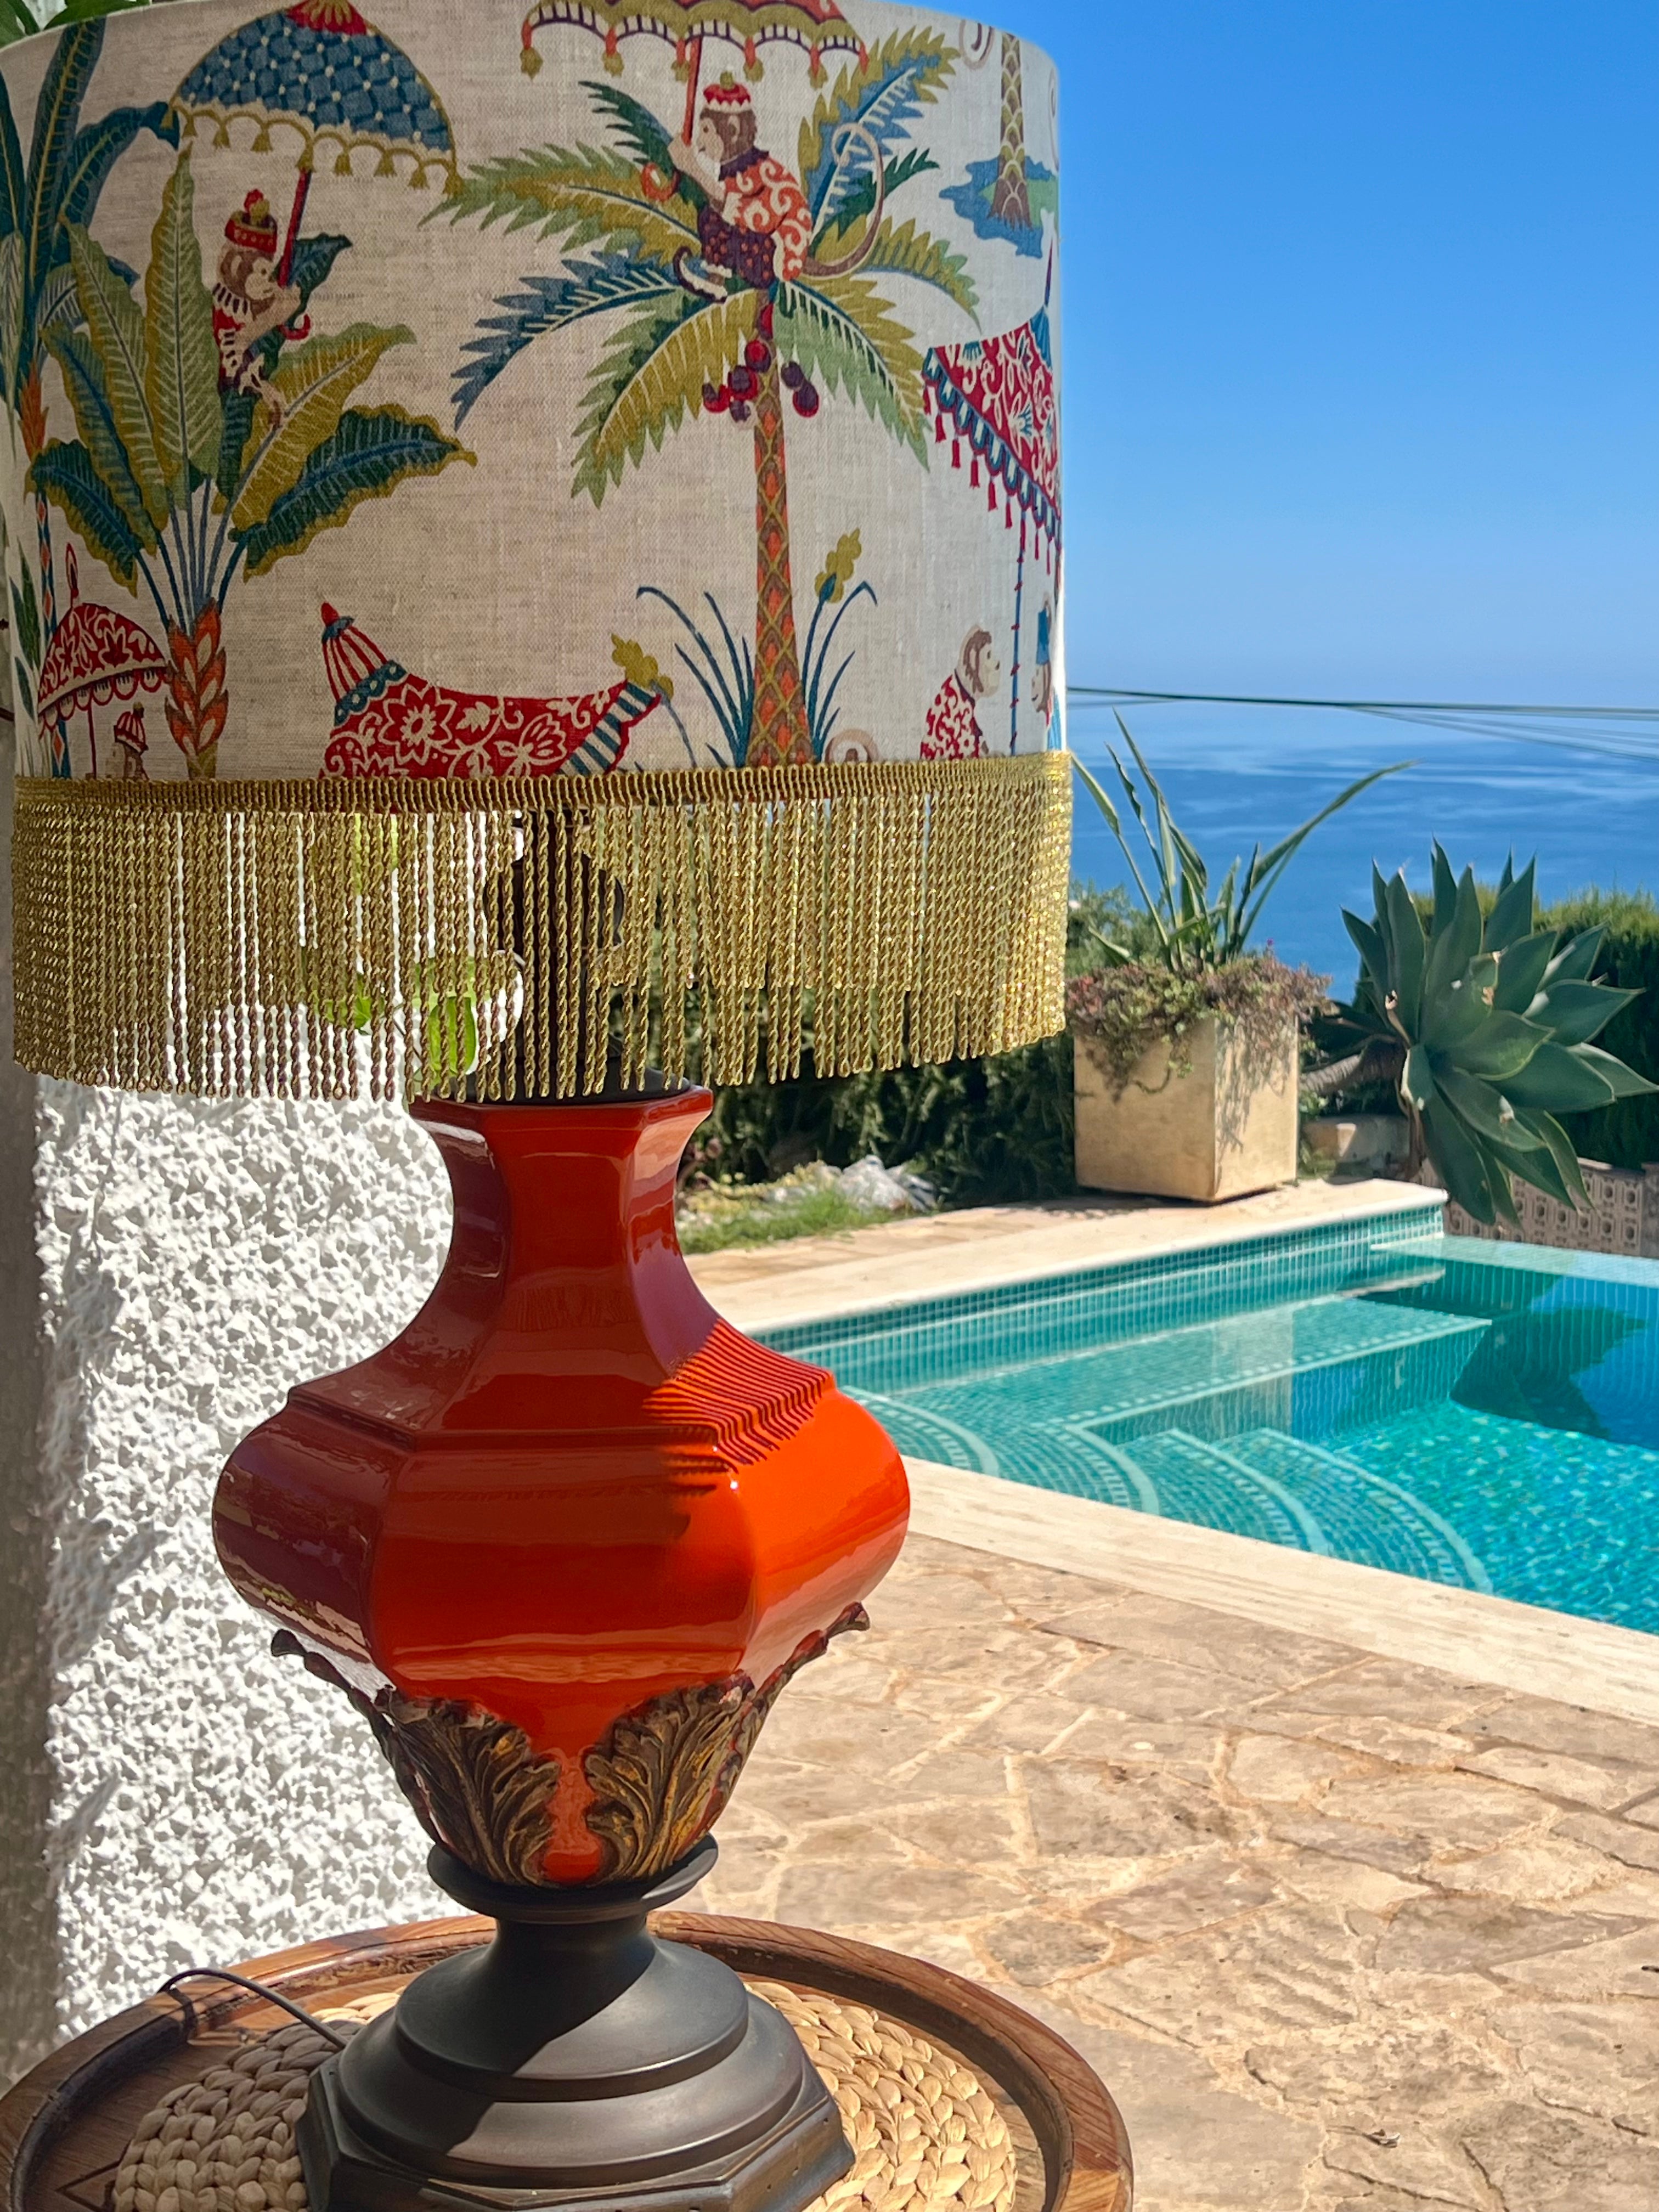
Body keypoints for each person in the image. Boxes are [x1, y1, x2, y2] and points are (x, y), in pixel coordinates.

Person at [670, 78, 813, 296]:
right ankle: (716, 280)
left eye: (707, 131)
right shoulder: (740, 169)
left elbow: (738, 209)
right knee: (711, 216)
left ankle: (715, 283)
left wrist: (691, 167)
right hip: (762, 247)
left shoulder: (756, 171)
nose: (699, 144)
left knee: (715, 219)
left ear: (733, 130)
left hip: (773, 257)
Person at [213, 191, 303, 421]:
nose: (267, 278)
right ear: (234, 267)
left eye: (268, 270)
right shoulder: (227, 305)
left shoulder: (257, 296)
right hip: (227, 393)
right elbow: (236, 347)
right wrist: (275, 316)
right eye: (259, 271)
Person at [922, 628, 1001, 759]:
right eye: (988, 656)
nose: (996, 664)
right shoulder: (954, 711)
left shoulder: (959, 702)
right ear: (973, 660)